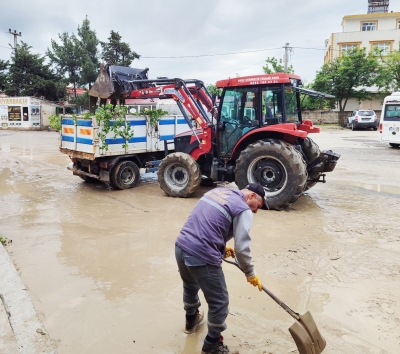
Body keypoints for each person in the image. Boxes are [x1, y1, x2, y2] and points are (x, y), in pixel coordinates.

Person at [175, 183, 265, 354]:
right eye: (258, 207)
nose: (256, 211)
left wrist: (221, 249)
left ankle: (191, 322)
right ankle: (212, 346)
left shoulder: (217, 192)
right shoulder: (243, 208)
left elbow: (205, 225)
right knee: (219, 302)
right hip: (201, 254)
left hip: (181, 246)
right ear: (251, 196)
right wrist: (250, 273)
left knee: (190, 286)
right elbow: (242, 248)